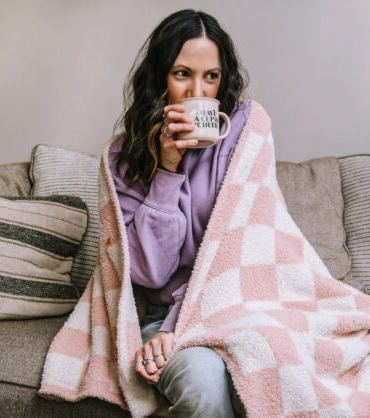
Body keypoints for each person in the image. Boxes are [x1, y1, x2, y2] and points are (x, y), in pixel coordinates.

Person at [109, 9, 249, 418]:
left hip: (238, 310)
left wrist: (177, 328)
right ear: (159, 79)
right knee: (203, 386)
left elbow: (245, 252)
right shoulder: (124, 157)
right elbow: (150, 273)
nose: (197, 92)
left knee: (280, 382)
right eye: (182, 73)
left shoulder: (244, 132)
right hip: (165, 317)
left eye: (211, 77)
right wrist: (167, 169)